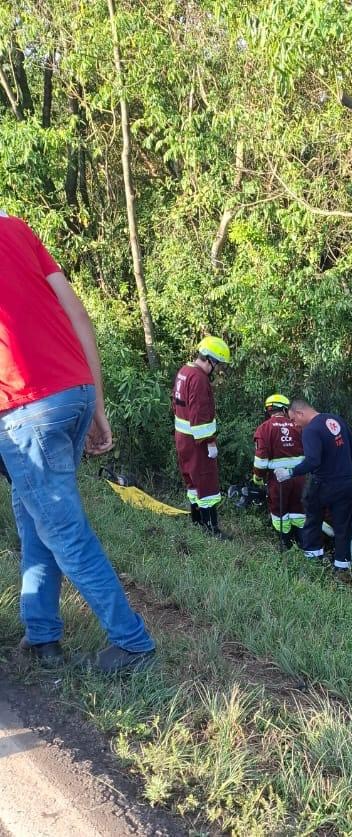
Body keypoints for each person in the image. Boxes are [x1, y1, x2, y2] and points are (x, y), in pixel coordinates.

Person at [0, 212, 155, 672]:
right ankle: (43, 636)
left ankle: (133, 644)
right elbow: (78, 314)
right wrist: (98, 406)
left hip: (27, 407)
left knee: (64, 531)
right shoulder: (16, 228)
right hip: (74, 392)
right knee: (36, 521)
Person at [276, 399, 352, 571]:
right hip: (345, 483)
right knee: (343, 526)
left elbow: (313, 461)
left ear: (300, 413)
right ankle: (342, 568)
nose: (294, 424)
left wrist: (289, 472)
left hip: (323, 484)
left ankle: (314, 563)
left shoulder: (311, 430)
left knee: (313, 521)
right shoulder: (336, 420)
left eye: (293, 419)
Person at [172, 336, 231, 539]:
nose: (218, 369)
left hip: (183, 438)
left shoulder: (184, 371)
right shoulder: (198, 378)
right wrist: (210, 442)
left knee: (192, 480)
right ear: (210, 360)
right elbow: (200, 415)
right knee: (206, 482)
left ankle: (197, 521)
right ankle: (211, 529)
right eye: (218, 364)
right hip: (197, 441)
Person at [252, 393, 305, 549]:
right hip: (300, 478)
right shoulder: (297, 427)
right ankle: (302, 545)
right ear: (284, 409)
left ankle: (285, 545)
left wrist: (257, 477)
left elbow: (261, 460)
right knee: (299, 510)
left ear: (268, 410)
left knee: (279, 512)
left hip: (278, 480)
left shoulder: (264, 429)